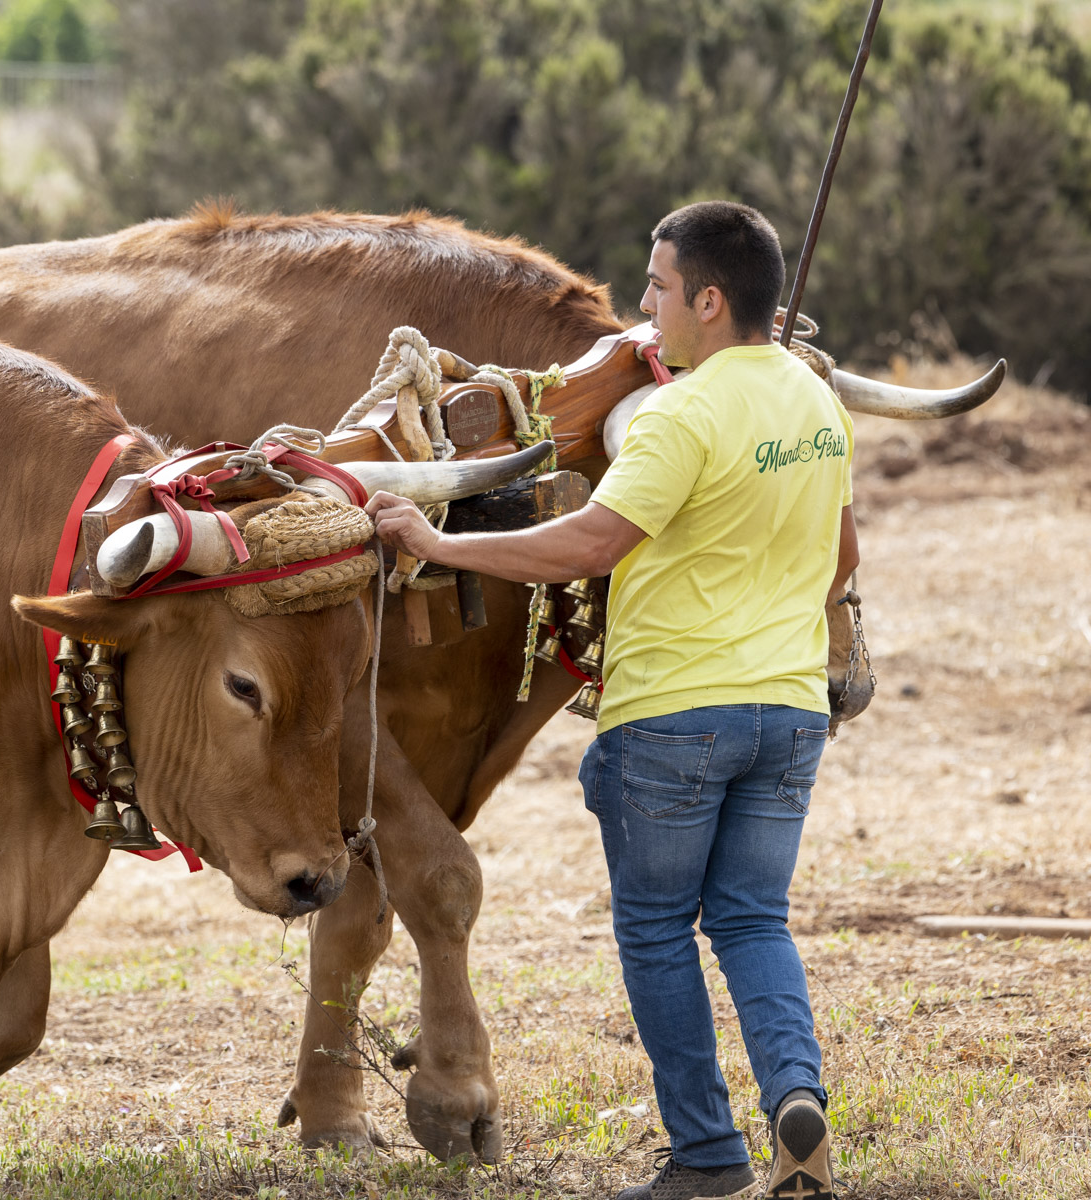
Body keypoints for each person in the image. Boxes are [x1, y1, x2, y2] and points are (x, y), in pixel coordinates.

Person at [365, 200, 856, 1200]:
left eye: (659, 286)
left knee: (657, 931)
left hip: (674, 716)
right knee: (755, 921)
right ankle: (795, 1096)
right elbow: (842, 556)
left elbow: (590, 543)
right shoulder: (818, 406)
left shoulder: (680, 415)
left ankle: (708, 1157)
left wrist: (440, 543)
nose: (644, 305)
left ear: (710, 302)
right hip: (790, 710)